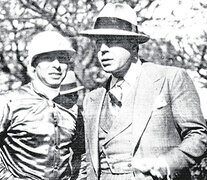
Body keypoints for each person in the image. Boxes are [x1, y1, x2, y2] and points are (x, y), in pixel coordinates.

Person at [79, 3, 207, 180]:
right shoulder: (93, 98)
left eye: (112, 41)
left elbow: (198, 136)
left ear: (134, 46)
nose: (103, 50)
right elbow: (88, 159)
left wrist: (166, 164)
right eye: (99, 43)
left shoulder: (170, 79)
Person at [0, 31, 85, 180]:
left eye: (62, 59)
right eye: (48, 59)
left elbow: (81, 155)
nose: (57, 66)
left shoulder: (72, 109)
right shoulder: (9, 101)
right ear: (34, 64)